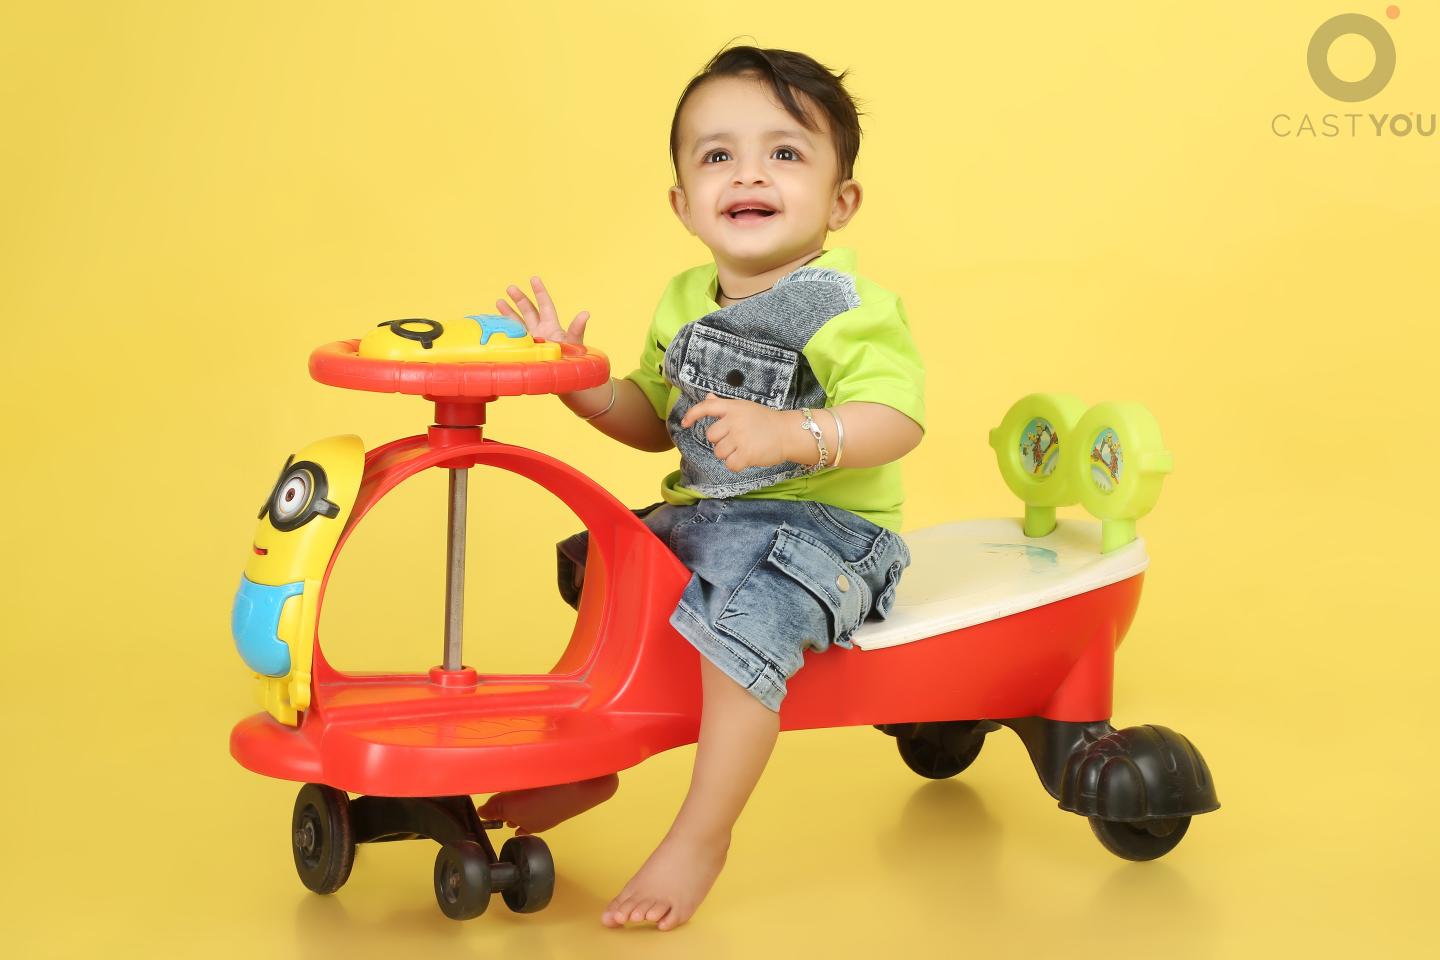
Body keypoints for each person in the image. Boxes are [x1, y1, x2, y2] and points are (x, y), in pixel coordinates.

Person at [484, 43, 925, 931]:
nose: (749, 173)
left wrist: (794, 433)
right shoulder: (685, 297)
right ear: (684, 203)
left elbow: (897, 418)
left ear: (840, 201)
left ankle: (702, 833)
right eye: (718, 154)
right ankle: (589, 756)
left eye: (785, 153)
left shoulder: (847, 305)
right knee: (613, 574)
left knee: (742, 620)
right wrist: (584, 385)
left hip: (826, 535)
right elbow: (656, 418)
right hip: (712, 521)